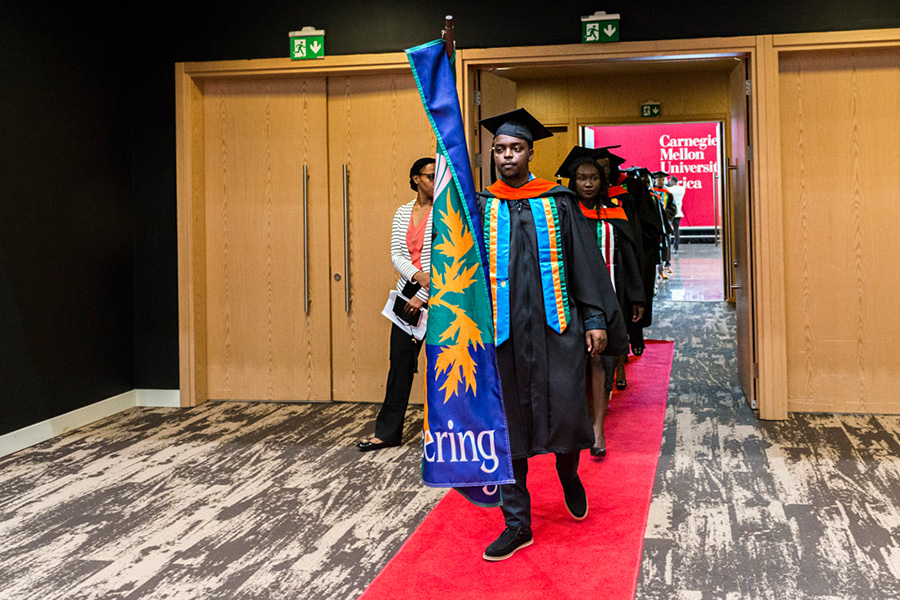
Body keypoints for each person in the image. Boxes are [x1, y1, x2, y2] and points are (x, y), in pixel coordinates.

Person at [476, 109, 627, 561]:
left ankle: (568, 472)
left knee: (565, 411)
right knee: (509, 428)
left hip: (557, 328)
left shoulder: (557, 201)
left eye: (515, 149)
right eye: (500, 149)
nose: (506, 156)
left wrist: (596, 318)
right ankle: (517, 523)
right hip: (503, 336)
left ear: (529, 153)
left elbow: (584, 261)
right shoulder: (484, 205)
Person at [557, 147, 645, 459]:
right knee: (577, 360)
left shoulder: (615, 212)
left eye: (594, 177)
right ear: (573, 181)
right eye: (582, 178)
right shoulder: (561, 213)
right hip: (571, 298)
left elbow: (630, 255)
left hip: (611, 295)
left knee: (602, 359)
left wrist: (636, 295)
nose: (588, 183)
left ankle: (597, 428)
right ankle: (579, 420)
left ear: (602, 180)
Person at [357, 157, 435, 452]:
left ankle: (444, 435)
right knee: (400, 365)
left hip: (440, 296)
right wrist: (416, 278)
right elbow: (396, 254)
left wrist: (425, 294)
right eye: (429, 176)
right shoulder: (403, 212)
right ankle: (387, 433)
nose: (433, 181)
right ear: (415, 179)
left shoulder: (445, 212)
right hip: (407, 293)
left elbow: (448, 256)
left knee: (441, 366)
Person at [651, 171, 676, 276]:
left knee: (666, 244)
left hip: (665, 223)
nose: (661, 181)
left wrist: (665, 213)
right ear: (655, 180)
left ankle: (666, 264)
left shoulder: (668, 194)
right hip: (654, 224)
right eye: (659, 179)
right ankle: (658, 267)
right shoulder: (651, 193)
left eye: (662, 179)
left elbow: (673, 209)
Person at [667, 176, 686, 253]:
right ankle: (676, 248)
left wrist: (668, 186)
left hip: (670, 213)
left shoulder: (669, 189)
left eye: (670, 181)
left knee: (668, 230)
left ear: (673, 181)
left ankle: (667, 246)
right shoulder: (682, 189)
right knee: (676, 230)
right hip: (678, 212)